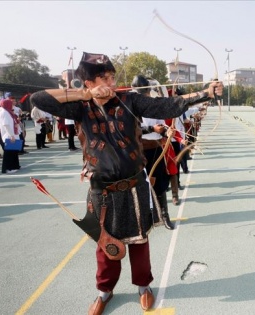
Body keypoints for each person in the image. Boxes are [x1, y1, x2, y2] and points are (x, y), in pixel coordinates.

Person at [30, 52, 222, 315]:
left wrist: (206, 93)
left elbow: (167, 106)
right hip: (102, 190)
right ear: (88, 82)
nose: (110, 82)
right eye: (102, 78)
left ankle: (144, 286)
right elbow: (37, 99)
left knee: (140, 240)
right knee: (105, 243)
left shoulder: (129, 99)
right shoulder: (78, 107)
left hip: (134, 186)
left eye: (111, 77)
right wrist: (83, 96)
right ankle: (104, 291)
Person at [131, 74, 175, 229]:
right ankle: (144, 218)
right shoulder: (128, 107)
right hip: (137, 152)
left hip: (154, 150)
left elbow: (161, 125)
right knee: (139, 186)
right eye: (141, 93)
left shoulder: (152, 106)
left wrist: (165, 132)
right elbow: (130, 130)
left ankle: (164, 216)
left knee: (160, 184)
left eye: (146, 93)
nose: (145, 96)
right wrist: (151, 129)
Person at [0, 99, 21, 174]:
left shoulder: (9, 112)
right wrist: (11, 135)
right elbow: (6, 125)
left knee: (14, 152)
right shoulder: (4, 112)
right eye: (10, 104)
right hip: (9, 135)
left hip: (13, 133)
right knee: (9, 153)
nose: (12, 105)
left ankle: (15, 165)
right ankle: (8, 168)